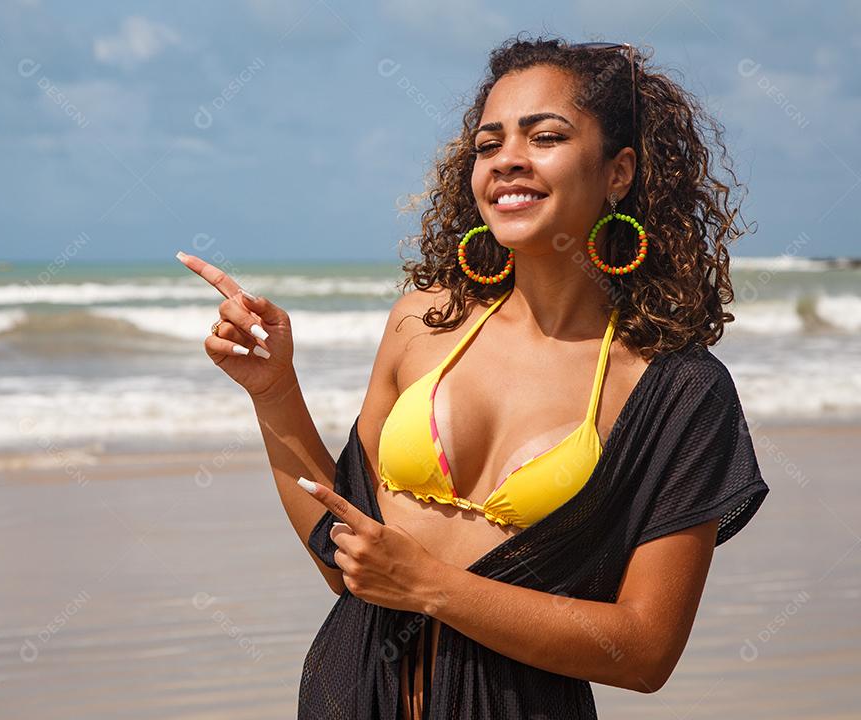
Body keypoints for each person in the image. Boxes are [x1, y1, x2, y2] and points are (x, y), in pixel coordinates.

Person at [177, 34, 768, 720]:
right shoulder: (420, 326)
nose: (508, 159)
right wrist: (275, 392)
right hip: (349, 693)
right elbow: (344, 565)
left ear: (619, 172)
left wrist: (429, 586)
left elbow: (644, 651)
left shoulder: (677, 390)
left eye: (545, 136)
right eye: (488, 145)